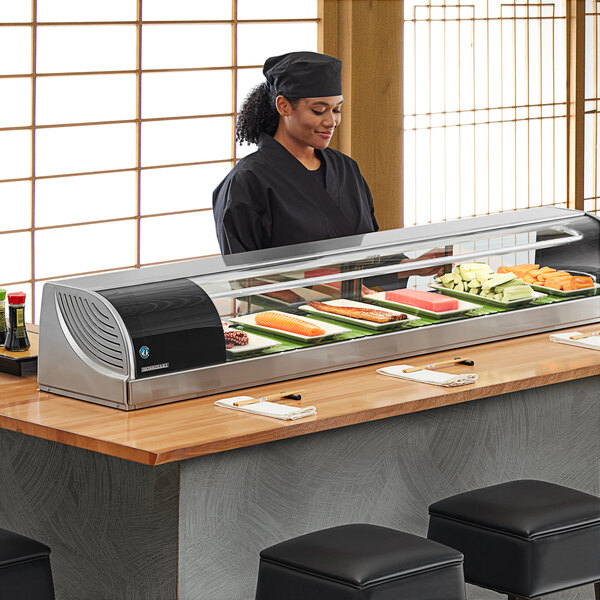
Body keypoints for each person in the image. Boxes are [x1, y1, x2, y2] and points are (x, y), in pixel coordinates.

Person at [212, 51, 444, 286]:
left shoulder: (346, 168)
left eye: (336, 110)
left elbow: (368, 256)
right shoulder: (247, 181)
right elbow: (246, 279)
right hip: (291, 318)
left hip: (359, 312)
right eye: (318, 110)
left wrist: (414, 266)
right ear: (283, 106)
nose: (331, 121)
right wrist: (329, 292)